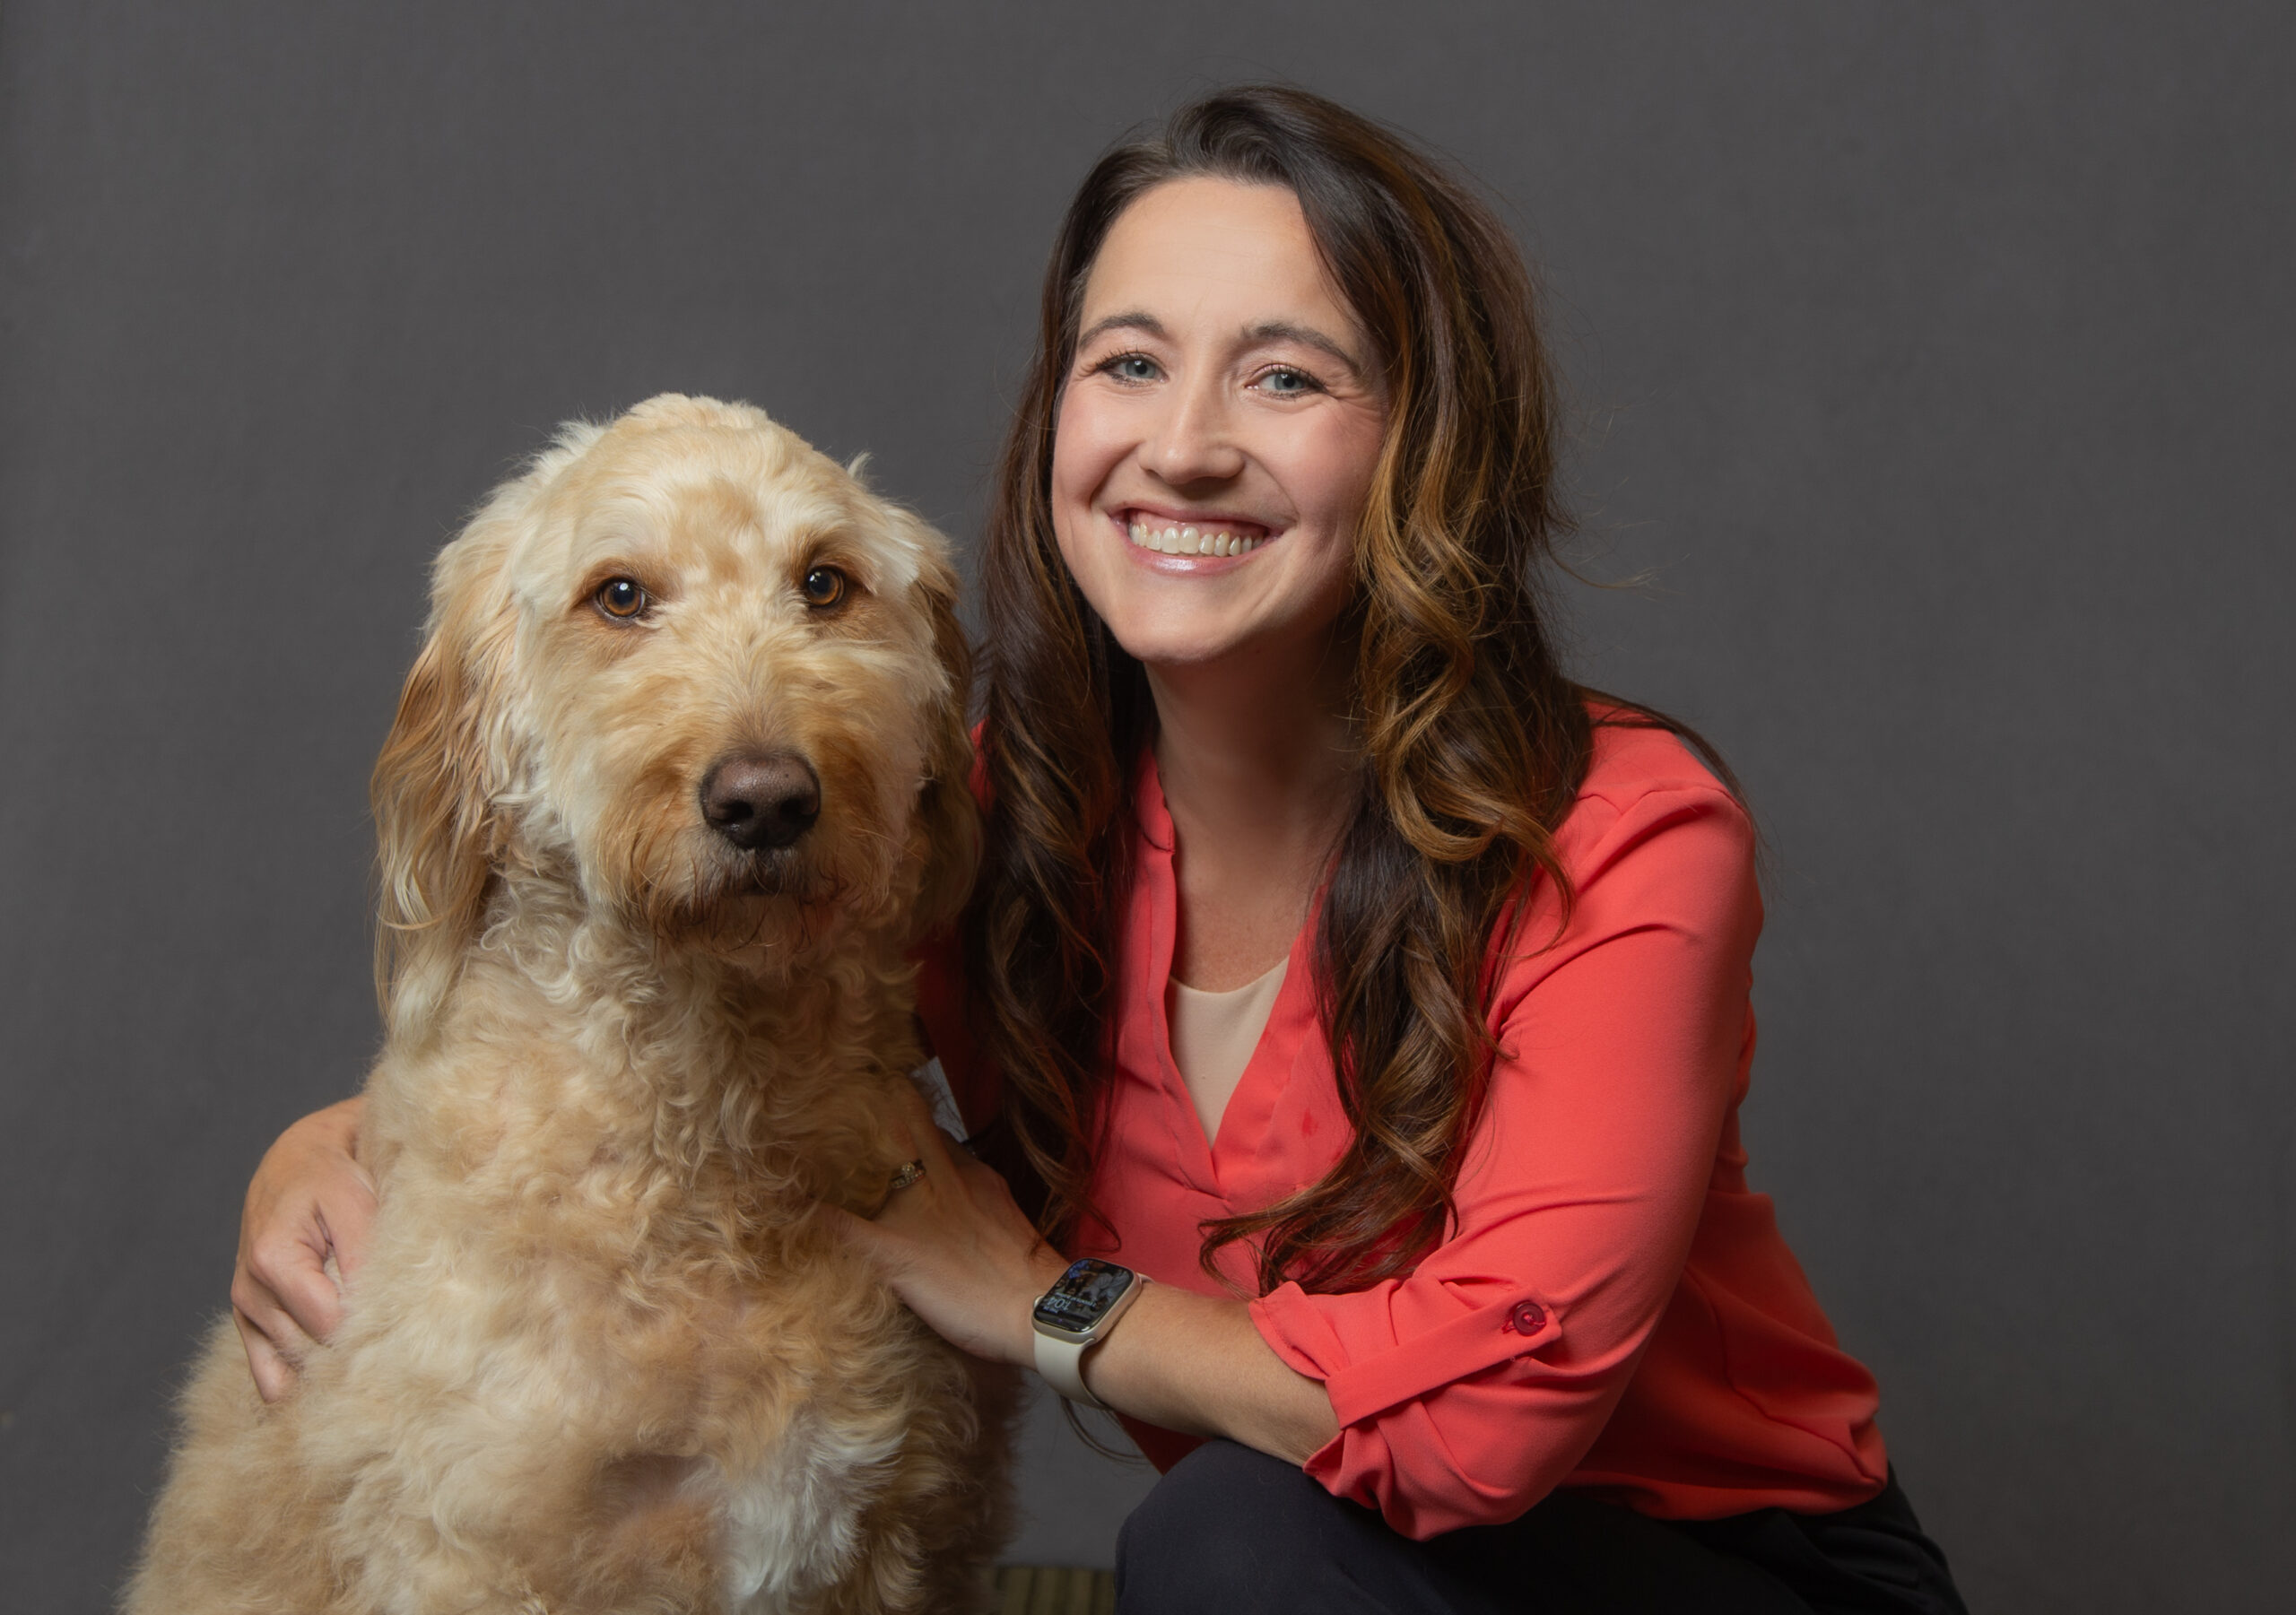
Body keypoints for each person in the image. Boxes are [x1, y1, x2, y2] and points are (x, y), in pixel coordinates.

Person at [230, 86, 1969, 1613]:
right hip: (1328, 1566)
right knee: (1246, 1543)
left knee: (1229, 1545)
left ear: (1418, 443)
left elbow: (1481, 1429)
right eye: (1128, 361)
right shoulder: (992, 826)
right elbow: (683, 1000)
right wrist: (323, 1147)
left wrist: (1039, 1299)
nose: (1184, 442)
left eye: (1282, 374)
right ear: (1059, 421)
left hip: (1711, 1568)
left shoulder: (1611, 834)